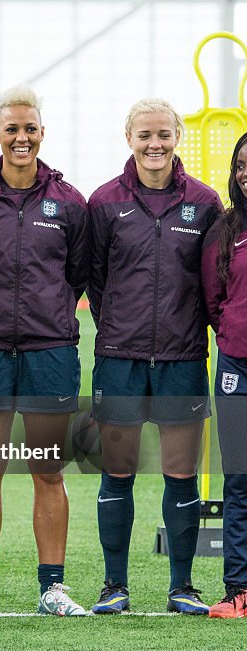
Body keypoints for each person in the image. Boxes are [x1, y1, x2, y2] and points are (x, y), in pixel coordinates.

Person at [0, 87, 88, 616]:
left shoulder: (70, 202)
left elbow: (78, 274)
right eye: (11, 129)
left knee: (48, 471)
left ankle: (52, 587)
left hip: (51, 350)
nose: (21, 138)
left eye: (29, 128)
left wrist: (45, 314)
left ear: (42, 133)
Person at [87, 98, 222, 615]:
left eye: (164, 134)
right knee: (116, 472)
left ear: (178, 137)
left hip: (183, 359)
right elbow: (94, 281)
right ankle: (113, 586)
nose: (155, 144)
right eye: (145, 135)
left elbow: (212, 282)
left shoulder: (206, 204)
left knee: (180, 474)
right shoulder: (104, 203)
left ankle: (181, 588)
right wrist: (119, 327)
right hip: (119, 358)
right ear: (129, 138)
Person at [201, 131, 247, 618]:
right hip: (237, 367)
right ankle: (239, 590)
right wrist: (233, 332)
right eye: (240, 165)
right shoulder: (226, 228)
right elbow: (214, 299)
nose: (245, 173)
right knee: (239, 480)